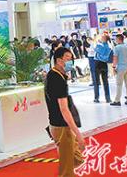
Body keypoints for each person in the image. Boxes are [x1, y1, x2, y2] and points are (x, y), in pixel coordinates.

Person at [44, 47, 85, 177]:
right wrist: (78, 133)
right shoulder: (57, 79)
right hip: (61, 125)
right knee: (67, 168)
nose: (70, 61)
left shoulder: (55, 75)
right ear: (59, 60)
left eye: (71, 58)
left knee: (76, 157)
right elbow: (64, 109)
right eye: (67, 58)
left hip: (57, 124)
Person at [110, 33, 127, 106]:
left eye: (116, 39)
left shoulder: (117, 48)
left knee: (119, 85)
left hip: (120, 68)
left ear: (118, 39)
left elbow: (115, 58)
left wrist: (113, 67)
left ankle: (117, 100)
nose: (115, 40)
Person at [93, 35, 112, 103]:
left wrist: (97, 44)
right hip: (104, 64)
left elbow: (95, 49)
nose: (100, 38)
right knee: (105, 81)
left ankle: (96, 98)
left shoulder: (100, 46)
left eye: (102, 37)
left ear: (104, 39)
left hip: (97, 63)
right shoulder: (108, 47)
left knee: (96, 81)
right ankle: (108, 98)